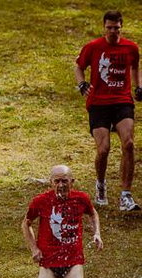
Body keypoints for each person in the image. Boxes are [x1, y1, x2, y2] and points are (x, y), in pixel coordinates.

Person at [74, 10, 142, 211]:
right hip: (98, 103)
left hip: (122, 101)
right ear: (104, 27)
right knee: (103, 149)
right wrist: (81, 84)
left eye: (116, 28)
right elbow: (78, 66)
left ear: (121, 26)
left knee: (128, 144)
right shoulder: (94, 47)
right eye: (109, 27)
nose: (113, 31)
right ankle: (101, 185)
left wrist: (138, 86)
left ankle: (125, 195)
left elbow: (135, 67)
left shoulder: (131, 47)